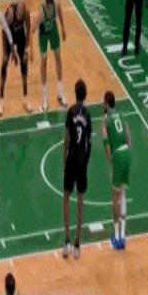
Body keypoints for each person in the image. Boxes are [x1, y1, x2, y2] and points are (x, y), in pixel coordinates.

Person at [62, 79, 91, 260]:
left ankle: (66, 239)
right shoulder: (87, 114)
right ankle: (77, 243)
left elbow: (66, 138)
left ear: (75, 93)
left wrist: (64, 161)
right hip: (81, 161)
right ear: (85, 95)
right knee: (80, 199)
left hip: (71, 158)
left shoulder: (70, 111)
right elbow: (89, 142)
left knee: (66, 196)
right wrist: (86, 161)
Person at [102, 91, 131, 250]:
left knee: (115, 197)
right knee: (123, 194)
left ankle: (117, 237)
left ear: (106, 104)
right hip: (127, 153)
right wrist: (128, 150)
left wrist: (111, 161)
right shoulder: (121, 114)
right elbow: (127, 133)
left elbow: (106, 142)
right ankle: (123, 236)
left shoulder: (105, 119)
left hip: (118, 156)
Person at [31, 0, 67, 111]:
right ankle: (45, 99)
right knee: (44, 63)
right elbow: (32, 29)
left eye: (49, 6)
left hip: (53, 32)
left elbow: (60, 13)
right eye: (47, 6)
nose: (48, 7)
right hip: (43, 35)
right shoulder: (42, 13)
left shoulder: (56, 4)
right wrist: (31, 50)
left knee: (58, 58)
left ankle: (60, 95)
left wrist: (63, 28)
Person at [0, 1, 32, 116]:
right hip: (9, 35)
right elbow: (4, 32)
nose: (21, 18)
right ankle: (1, 99)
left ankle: (26, 97)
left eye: (22, 17)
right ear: (16, 11)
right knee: (4, 63)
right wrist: (7, 52)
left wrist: (27, 50)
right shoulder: (10, 14)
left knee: (24, 63)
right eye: (20, 16)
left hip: (20, 36)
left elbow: (28, 31)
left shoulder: (26, 13)